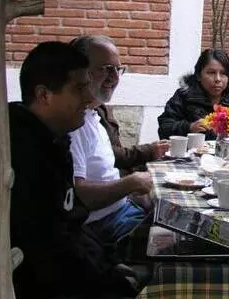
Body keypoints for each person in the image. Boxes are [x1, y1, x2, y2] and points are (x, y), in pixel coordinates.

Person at [10, 42, 141, 299]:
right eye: (79, 88)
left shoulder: (55, 139)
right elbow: (51, 254)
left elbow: (72, 226)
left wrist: (110, 266)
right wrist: (109, 278)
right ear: (43, 95)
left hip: (70, 283)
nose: (87, 97)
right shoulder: (25, 154)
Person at [68, 35, 164, 246]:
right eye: (106, 68)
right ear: (80, 72)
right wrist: (131, 183)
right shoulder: (73, 125)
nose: (115, 77)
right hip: (103, 225)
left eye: (118, 69)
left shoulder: (93, 115)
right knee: (176, 247)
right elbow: (80, 195)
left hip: (122, 211)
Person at [157, 49, 229, 141]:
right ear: (199, 76)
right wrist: (189, 127)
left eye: (223, 73)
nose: (218, 79)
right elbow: (164, 129)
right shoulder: (184, 97)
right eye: (211, 73)